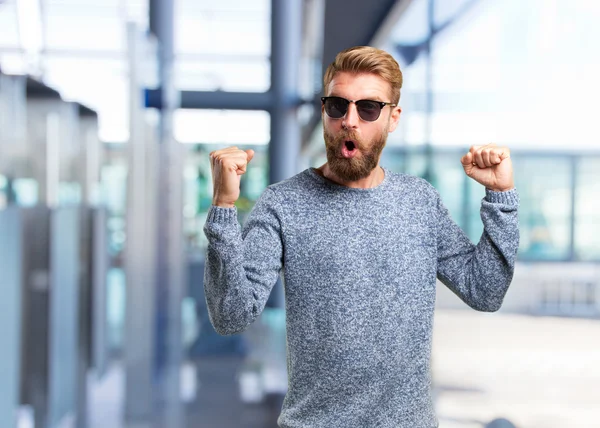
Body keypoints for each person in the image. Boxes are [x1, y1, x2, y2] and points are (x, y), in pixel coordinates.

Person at [203, 46, 519, 428]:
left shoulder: (419, 201)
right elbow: (231, 316)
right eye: (337, 106)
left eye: (368, 108)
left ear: (392, 118)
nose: (350, 121)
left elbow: (485, 291)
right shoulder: (282, 204)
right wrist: (223, 206)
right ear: (324, 112)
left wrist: (501, 198)